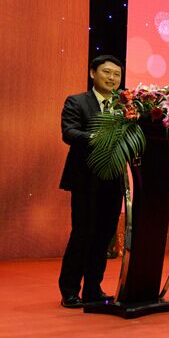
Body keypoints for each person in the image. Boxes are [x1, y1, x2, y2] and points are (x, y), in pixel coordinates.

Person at [58, 55, 125, 308]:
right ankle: (70, 291)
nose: (112, 78)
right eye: (107, 72)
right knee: (83, 234)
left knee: (104, 236)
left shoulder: (124, 107)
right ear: (92, 73)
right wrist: (97, 138)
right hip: (85, 179)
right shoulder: (77, 101)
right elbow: (69, 132)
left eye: (116, 74)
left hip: (113, 180)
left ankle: (93, 289)